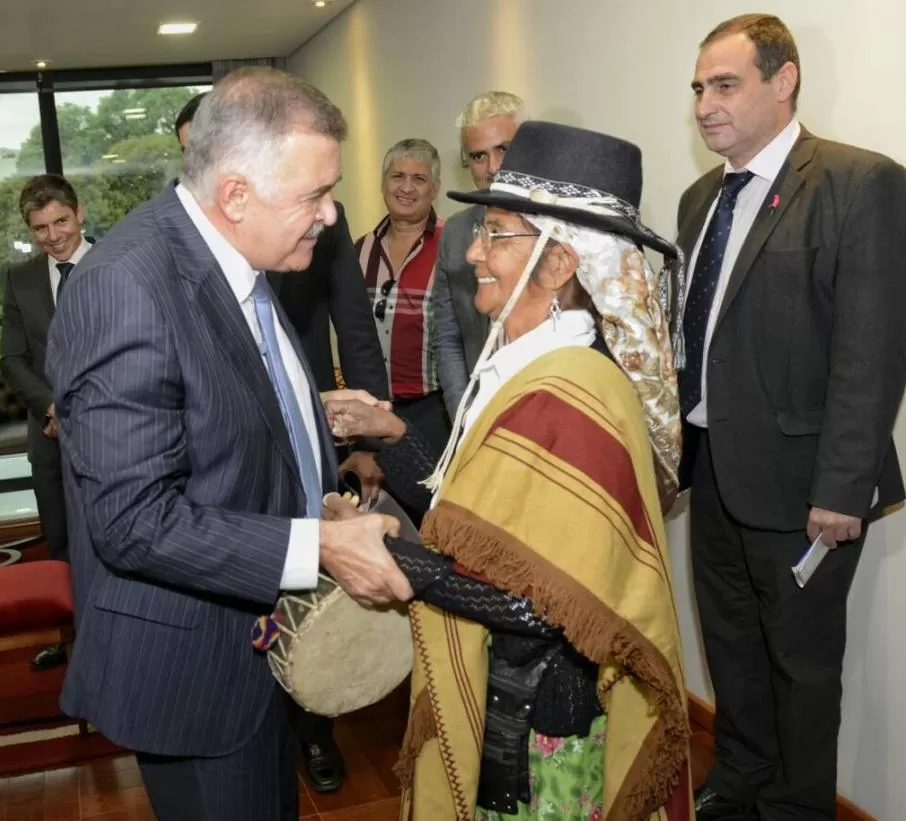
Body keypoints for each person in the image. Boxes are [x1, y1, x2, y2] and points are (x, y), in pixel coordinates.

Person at [46, 67, 412, 821]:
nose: (330, 213)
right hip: (193, 671)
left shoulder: (238, 254)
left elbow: (224, 414)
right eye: (314, 195)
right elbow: (134, 520)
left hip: (250, 648)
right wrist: (316, 545)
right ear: (237, 194)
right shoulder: (126, 288)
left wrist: (320, 476)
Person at [326, 122, 692, 820]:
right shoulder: (531, 366)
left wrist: (392, 558)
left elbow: (540, 604)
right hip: (515, 692)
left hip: (541, 715)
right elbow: (476, 519)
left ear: (559, 264)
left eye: (495, 233)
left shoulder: (576, 389)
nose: (471, 252)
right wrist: (394, 431)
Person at [677, 14, 906, 821]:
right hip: (712, 473)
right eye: (700, 87)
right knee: (732, 651)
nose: (706, 103)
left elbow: (871, 351)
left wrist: (843, 489)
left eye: (726, 84)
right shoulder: (700, 197)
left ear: (785, 81)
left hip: (807, 489)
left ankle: (796, 810)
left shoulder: (858, 181)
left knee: (801, 672)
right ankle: (737, 784)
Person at [268, 200, 390, 795]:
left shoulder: (324, 221)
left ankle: (317, 729)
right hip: (230, 447)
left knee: (315, 580)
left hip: (313, 433)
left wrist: (367, 440)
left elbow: (356, 327)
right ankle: (265, 725)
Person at [0, 174, 91, 671]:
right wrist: (52, 407)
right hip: (50, 433)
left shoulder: (119, 262)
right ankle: (73, 642)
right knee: (59, 541)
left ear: (80, 213)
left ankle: (120, 639)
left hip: (114, 433)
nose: (54, 235)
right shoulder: (21, 279)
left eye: (61, 221)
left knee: (115, 537)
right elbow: (12, 359)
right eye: (40, 228)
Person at [355, 138, 450, 455]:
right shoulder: (359, 250)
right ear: (383, 183)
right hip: (370, 411)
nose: (406, 188)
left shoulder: (455, 247)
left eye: (419, 179)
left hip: (434, 413)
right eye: (398, 176)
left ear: (434, 188)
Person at [433, 91, 523, 420]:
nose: (494, 167)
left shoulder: (558, 230)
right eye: (478, 156)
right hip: (478, 411)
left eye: (504, 149)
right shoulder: (456, 234)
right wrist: (464, 416)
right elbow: (447, 337)